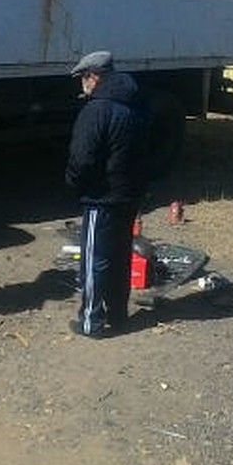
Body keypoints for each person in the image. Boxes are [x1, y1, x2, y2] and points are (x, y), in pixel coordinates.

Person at [64, 50, 149, 338]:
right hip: (129, 196)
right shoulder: (134, 105)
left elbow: (82, 158)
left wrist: (76, 185)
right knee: (119, 256)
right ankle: (119, 315)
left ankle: (91, 322)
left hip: (101, 197)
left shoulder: (96, 110)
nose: (82, 86)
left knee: (94, 260)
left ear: (94, 77)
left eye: (83, 79)